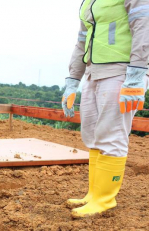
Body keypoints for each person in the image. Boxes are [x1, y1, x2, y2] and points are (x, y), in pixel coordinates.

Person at [62, 0, 149, 218]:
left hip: (121, 71)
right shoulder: (88, 2)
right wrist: (73, 80)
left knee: (112, 134)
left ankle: (104, 199)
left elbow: (143, 26)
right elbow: (81, 42)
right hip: (93, 72)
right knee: (92, 134)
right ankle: (94, 194)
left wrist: (137, 75)